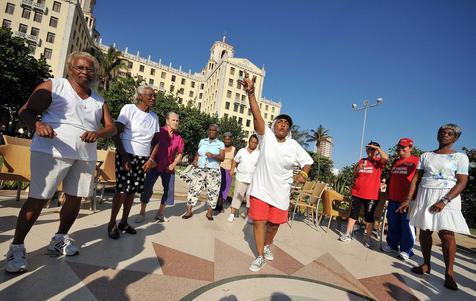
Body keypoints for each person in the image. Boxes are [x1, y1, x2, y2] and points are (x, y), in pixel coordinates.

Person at [5, 52, 116, 273]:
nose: (85, 71)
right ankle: (16, 247)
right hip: (51, 150)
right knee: (38, 198)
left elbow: (111, 127)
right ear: (70, 68)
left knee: (75, 199)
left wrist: (98, 132)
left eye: (90, 69)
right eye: (80, 67)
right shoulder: (54, 85)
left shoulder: (98, 99)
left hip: (85, 154)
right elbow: (25, 111)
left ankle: (59, 238)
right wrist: (37, 125)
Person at [240, 74, 313, 272]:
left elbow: (308, 162)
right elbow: (256, 115)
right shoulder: (266, 137)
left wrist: (303, 174)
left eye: (286, 124)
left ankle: (266, 245)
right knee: (259, 222)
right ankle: (260, 256)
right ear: (274, 126)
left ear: (289, 129)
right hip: (261, 190)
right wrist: (251, 93)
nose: (283, 124)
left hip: (281, 192)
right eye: (280, 122)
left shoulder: (294, 145)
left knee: (273, 226)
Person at [397, 124, 469, 290]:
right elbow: (416, 178)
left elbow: (462, 181)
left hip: (447, 196)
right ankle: (426, 264)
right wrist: (408, 199)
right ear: (437, 135)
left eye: (450, 133)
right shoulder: (426, 155)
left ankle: (449, 273)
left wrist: (444, 200)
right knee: (425, 231)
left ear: (455, 138)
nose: (445, 135)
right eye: (442, 132)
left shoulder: (460, 157)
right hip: (425, 194)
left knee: (446, 234)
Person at [107, 86, 160, 239]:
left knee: (132, 191)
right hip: (126, 154)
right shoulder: (129, 109)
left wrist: (151, 159)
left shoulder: (154, 117)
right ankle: (112, 223)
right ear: (140, 96)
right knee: (122, 189)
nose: (153, 98)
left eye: (154, 96)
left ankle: (124, 222)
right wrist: (123, 156)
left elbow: (156, 141)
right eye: (150, 95)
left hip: (143, 158)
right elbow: (116, 132)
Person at [136, 112, 184, 223]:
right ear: (167, 121)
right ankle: (142, 213)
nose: (176, 122)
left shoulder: (178, 137)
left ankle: (160, 213)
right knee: (147, 189)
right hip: (155, 165)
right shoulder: (159, 132)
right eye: (173, 120)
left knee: (169, 191)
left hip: (168, 168)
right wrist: (150, 160)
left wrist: (174, 164)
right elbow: (149, 145)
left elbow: (180, 153)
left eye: (177, 120)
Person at [339, 141, 388, 248]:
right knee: (353, 214)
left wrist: (377, 149)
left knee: (369, 217)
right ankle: (348, 234)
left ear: (376, 151)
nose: (369, 150)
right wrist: (357, 170)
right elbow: (356, 174)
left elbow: (386, 159)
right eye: (368, 148)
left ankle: (368, 238)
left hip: (371, 195)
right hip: (357, 192)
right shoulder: (362, 160)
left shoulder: (379, 161)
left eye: (371, 149)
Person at [381, 138, 419, 260]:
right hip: (393, 198)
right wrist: (387, 194)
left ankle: (406, 250)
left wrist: (411, 198)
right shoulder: (396, 162)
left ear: (410, 148)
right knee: (392, 223)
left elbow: (418, 180)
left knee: (407, 225)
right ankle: (392, 245)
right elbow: (392, 179)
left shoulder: (416, 161)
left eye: (404, 147)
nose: (401, 149)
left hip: (407, 200)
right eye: (399, 147)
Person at [182, 124, 225, 220]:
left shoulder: (220, 144)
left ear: (217, 133)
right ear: (208, 131)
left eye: (214, 130)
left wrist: (213, 155)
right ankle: (189, 211)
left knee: (213, 191)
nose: (211, 132)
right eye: (210, 130)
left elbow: (222, 158)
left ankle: (209, 212)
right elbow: (198, 153)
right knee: (194, 188)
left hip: (213, 170)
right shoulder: (202, 141)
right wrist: (195, 160)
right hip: (200, 169)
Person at [227, 134, 260, 223]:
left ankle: (249, 216)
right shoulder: (242, 151)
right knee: (237, 196)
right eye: (252, 142)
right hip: (240, 177)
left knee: (250, 199)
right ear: (249, 142)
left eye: (256, 143)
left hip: (253, 180)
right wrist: (231, 170)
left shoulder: (259, 153)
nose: (254, 144)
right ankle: (232, 214)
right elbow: (235, 161)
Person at [215, 132, 236, 212]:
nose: (227, 141)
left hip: (228, 171)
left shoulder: (234, 149)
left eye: (229, 139)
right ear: (223, 139)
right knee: (217, 187)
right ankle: (215, 204)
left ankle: (220, 205)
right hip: (219, 169)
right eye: (225, 139)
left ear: (231, 139)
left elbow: (235, 160)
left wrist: (232, 170)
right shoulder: (220, 147)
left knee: (225, 189)